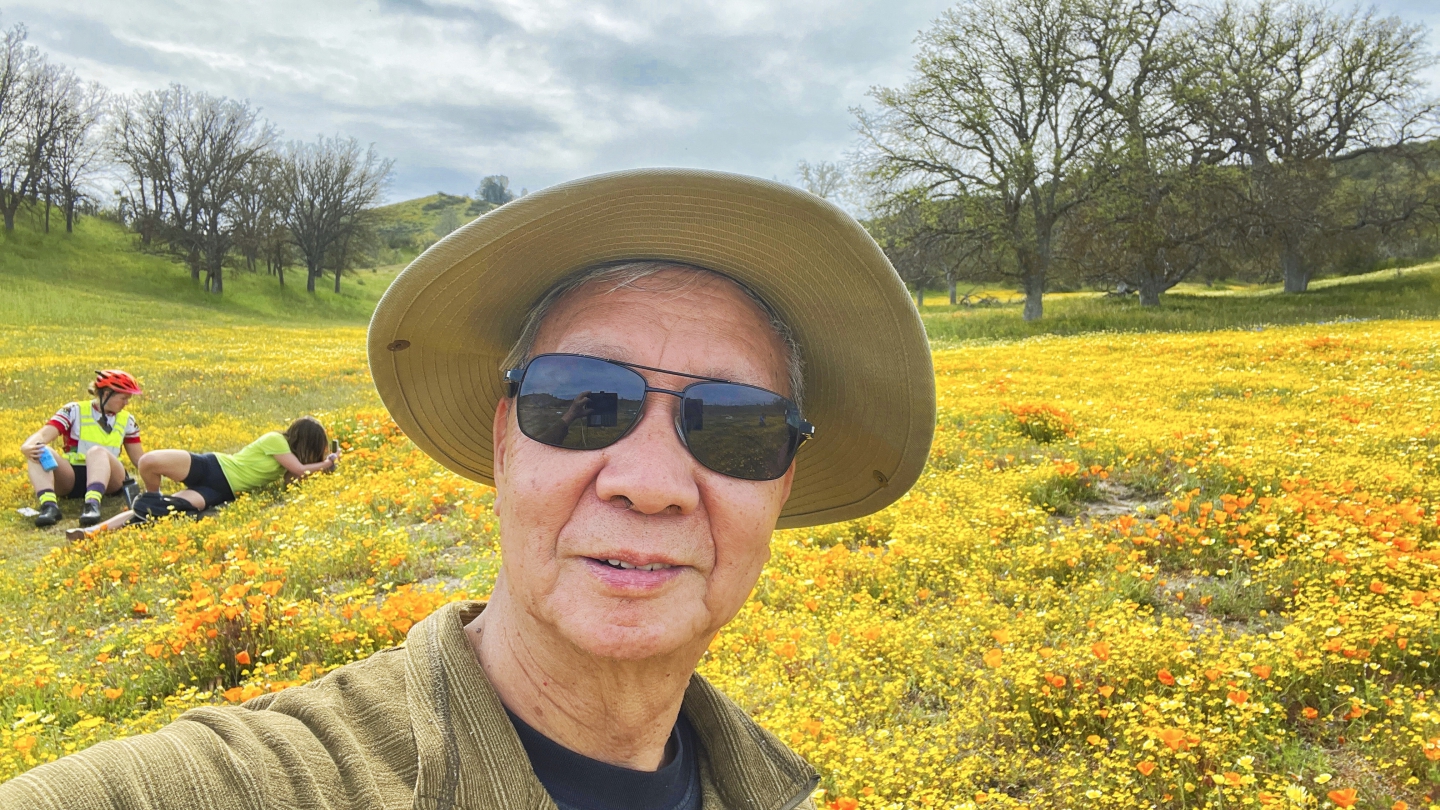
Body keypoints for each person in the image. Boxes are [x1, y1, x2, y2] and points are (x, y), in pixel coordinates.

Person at [0, 169, 935, 810]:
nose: (651, 485)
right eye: (582, 402)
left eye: (738, 427)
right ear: (502, 446)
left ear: (780, 483)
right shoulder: (280, 777)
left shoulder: (774, 784)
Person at [68, 416, 340, 538]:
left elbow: (298, 478)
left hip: (220, 491)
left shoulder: (286, 463)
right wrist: (326, 464)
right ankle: (149, 495)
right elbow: (301, 470)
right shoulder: (276, 441)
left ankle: (92, 532)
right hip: (215, 467)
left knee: (157, 511)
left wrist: (323, 468)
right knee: (150, 462)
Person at [19, 369, 146, 529]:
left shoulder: (127, 420)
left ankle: (92, 505)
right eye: (124, 398)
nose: (127, 403)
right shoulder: (74, 410)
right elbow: (44, 434)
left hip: (110, 479)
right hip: (73, 477)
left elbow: (140, 460)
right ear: (106, 394)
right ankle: (49, 507)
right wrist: (27, 447)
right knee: (39, 450)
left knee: (96, 451)